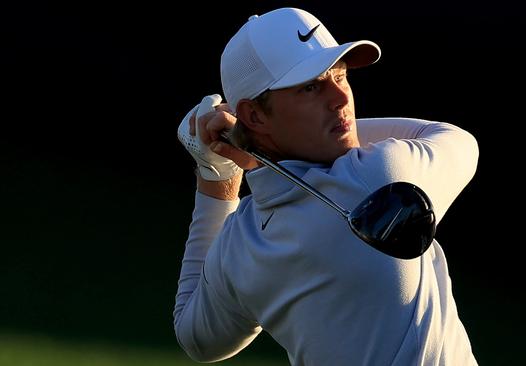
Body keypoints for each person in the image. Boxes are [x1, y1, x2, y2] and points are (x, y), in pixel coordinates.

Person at [173, 7, 479, 365]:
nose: (341, 99)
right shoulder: (380, 174)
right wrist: (253, 147)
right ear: (255, 115)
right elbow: (455, 139)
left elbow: (197, 340)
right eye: (311, 87)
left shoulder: (239, 246)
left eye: (341, 76)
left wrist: (218, 175)